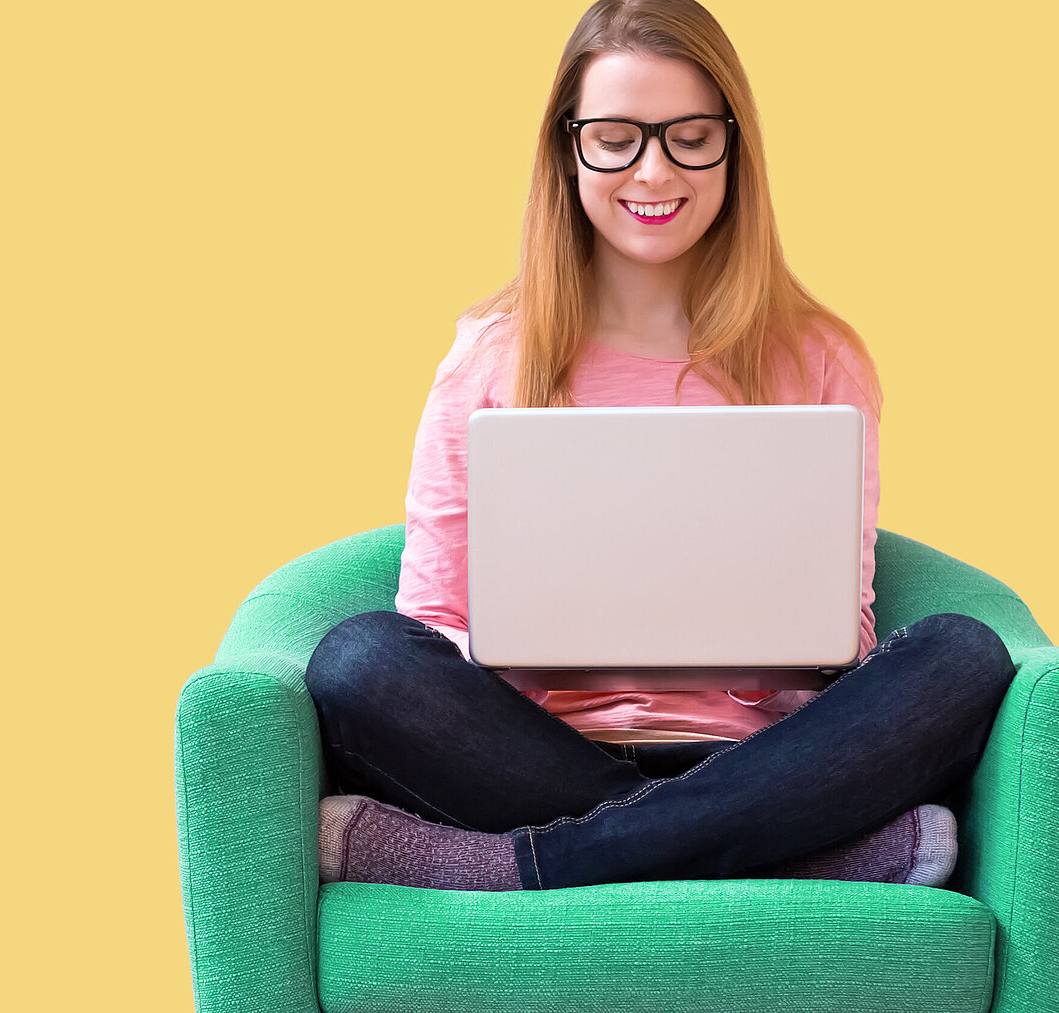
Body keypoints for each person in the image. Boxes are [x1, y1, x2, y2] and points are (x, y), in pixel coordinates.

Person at [305, 0, 1019, 892]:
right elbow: (435, 617)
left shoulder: (821, 356)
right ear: (568, 149)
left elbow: (846, 628)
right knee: (359, 659)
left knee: (964, 653)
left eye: (689, 136)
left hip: (767, 758)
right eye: (615, 137)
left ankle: (522, 866)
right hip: (531, 759)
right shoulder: (489, 354)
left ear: (734, 148)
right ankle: (806, 857)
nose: (652, 170)